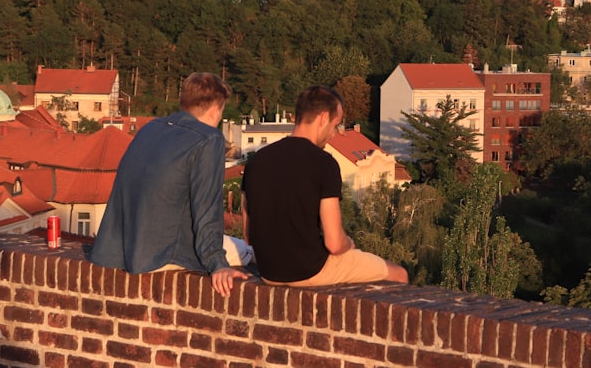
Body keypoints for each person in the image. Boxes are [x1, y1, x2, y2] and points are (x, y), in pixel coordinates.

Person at [91, 72, 249, 297]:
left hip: (117, 250)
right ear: (215, 109)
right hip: (160, 255)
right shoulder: (209, 139)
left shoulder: (151, 128)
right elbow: (207, 208)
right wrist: (217, 263)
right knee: (246, 252)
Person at [242, 85, 408, 286]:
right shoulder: (324, 163)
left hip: (269, 272)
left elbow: (248, 235)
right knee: (398, 274)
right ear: (322, 118)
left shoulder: (256, 160)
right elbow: (334, 243)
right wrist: (349, 244)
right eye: (335, 124)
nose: (334, 134)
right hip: (309, 270)